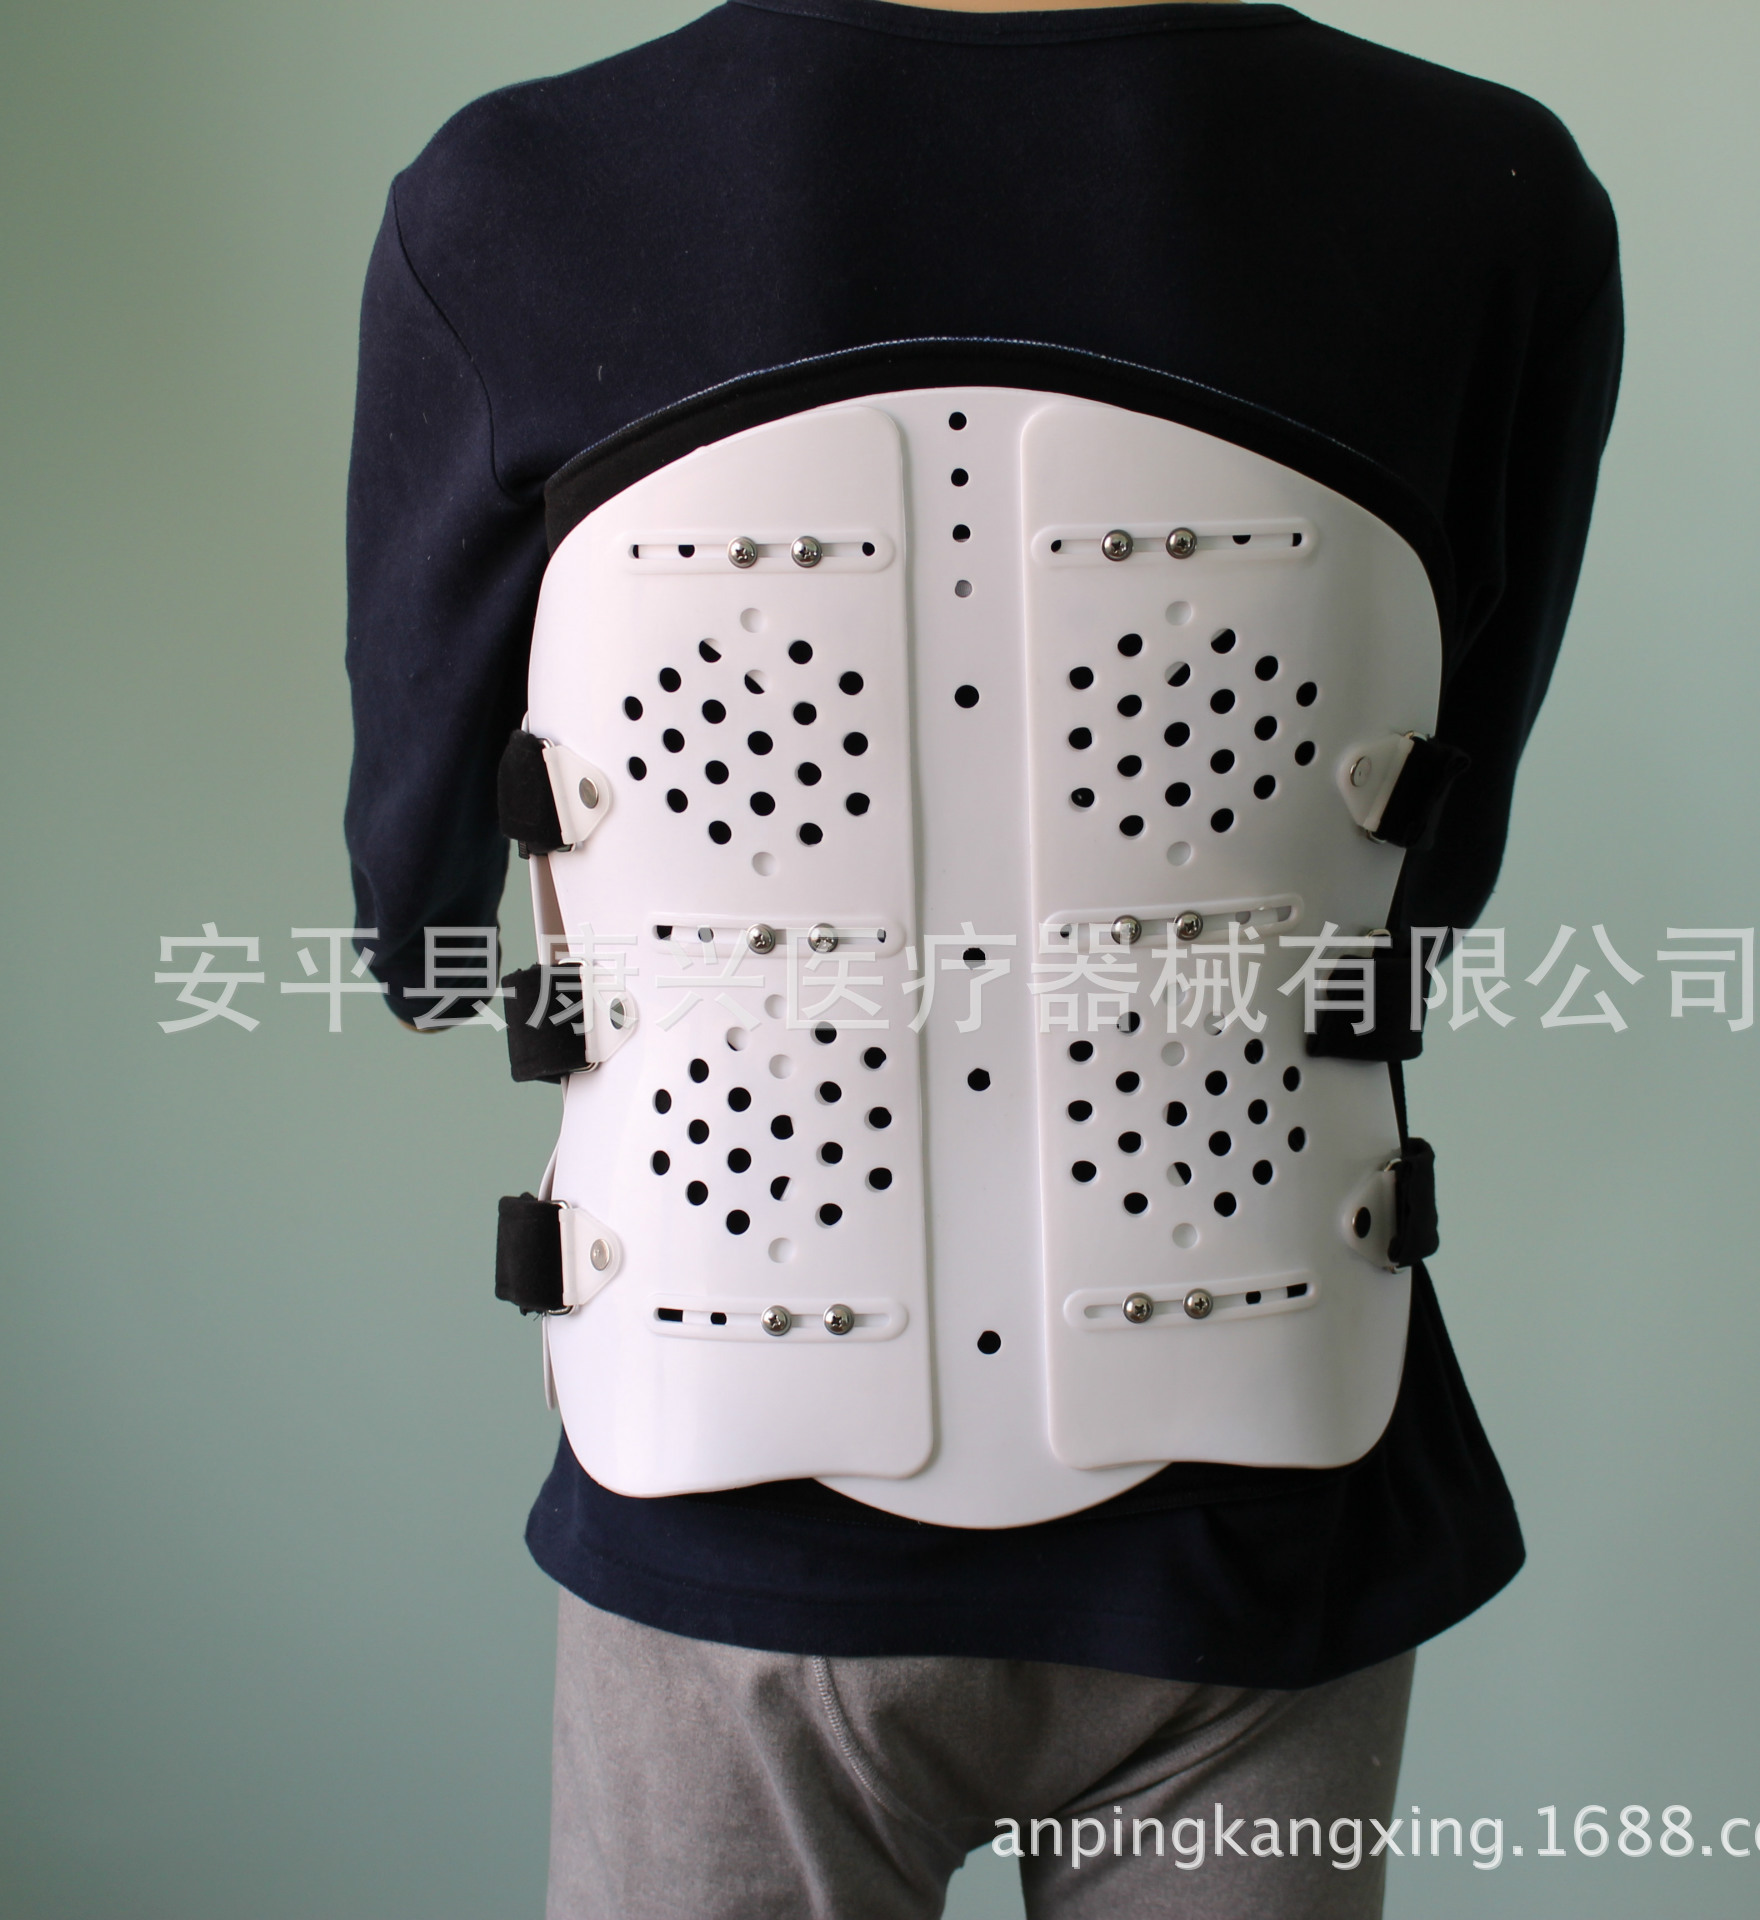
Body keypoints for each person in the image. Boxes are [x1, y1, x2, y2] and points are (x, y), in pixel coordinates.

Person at [345, 2, 1621, 1912]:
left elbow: (418, 925)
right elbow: (1425, 874)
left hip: (733, 1483)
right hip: (1264, 1482)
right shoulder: (1486, 192)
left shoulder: (517, 195)